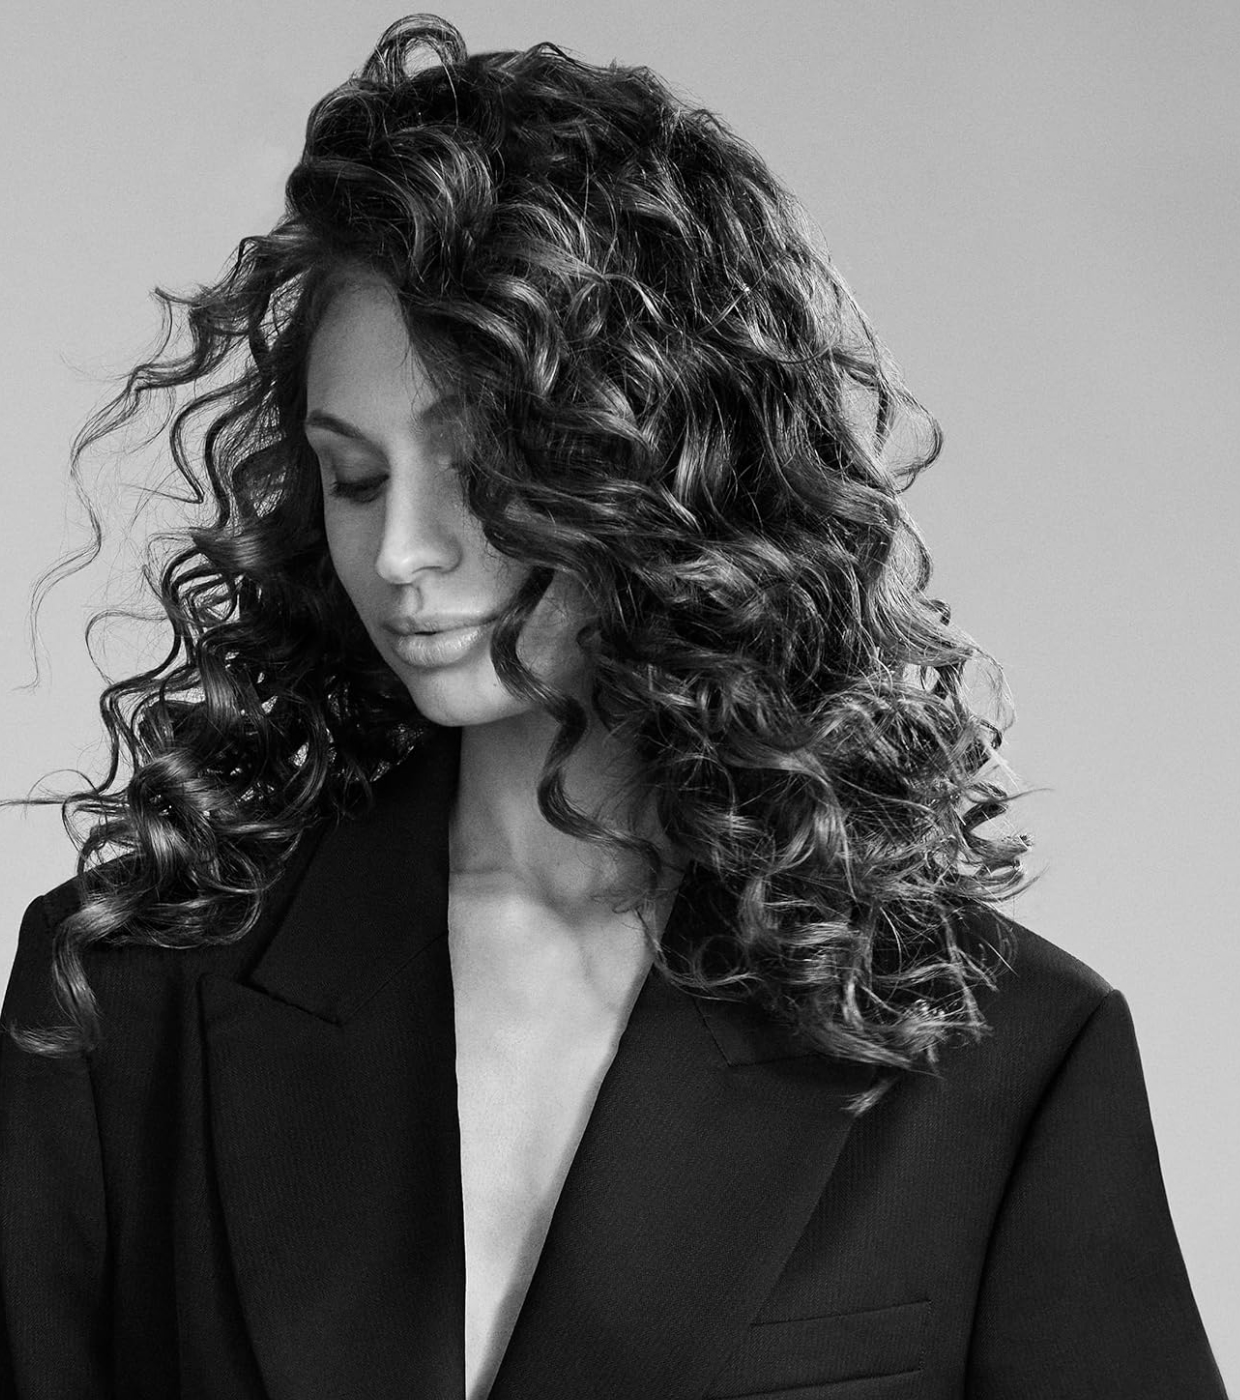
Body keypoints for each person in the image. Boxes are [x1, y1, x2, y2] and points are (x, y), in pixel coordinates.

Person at [0, 14, 1227, 1400]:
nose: (399, 552)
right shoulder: (129, 993)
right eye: (353, 478)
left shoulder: (1002, 1055)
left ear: (666, 469)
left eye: (481, 471)